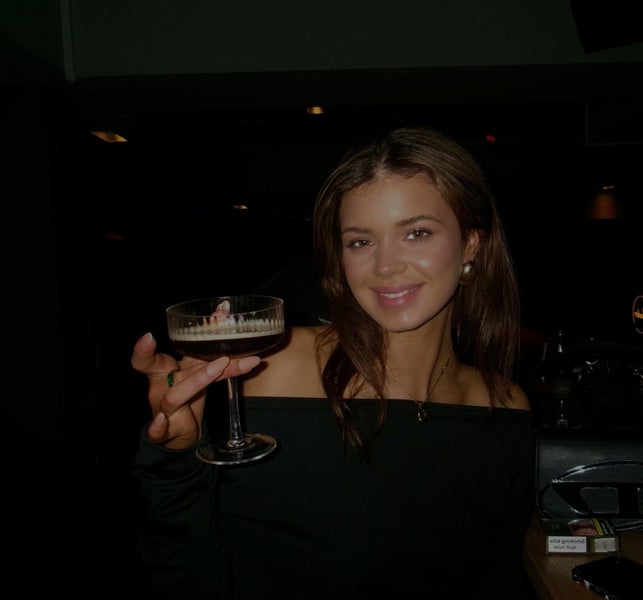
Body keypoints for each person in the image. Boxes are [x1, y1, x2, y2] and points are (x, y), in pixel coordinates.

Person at [130, 126, 538, 599]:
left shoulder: (505, 405)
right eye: (360, 241)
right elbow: (185, 569)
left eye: (416, 233)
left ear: (471, 244)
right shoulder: (269, 370)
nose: (385, 266)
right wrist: (176, 457)